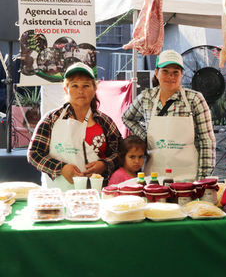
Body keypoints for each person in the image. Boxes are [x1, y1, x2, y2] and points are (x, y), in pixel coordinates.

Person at [122, 50, 215, 181]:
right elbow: (127, 117)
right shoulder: (146, 97)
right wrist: (146, 137)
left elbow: (207, 141)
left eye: (176, 72)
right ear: (156, 72)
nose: (170, 76)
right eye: (165, 71)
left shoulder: (194, 99)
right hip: (154, 174)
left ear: (182, 74)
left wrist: (203, 179)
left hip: (188, 176)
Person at [28, 62, 122, 190]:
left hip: (96, 194)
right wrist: (61, 168)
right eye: (74, 85)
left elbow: (120, 153)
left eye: (86, 85)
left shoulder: (105, 122)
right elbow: (34, 153)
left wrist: (105, 165)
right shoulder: (51, 119)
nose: (80, 90)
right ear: (66, 90)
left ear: (95, 89)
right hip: (57, 195)